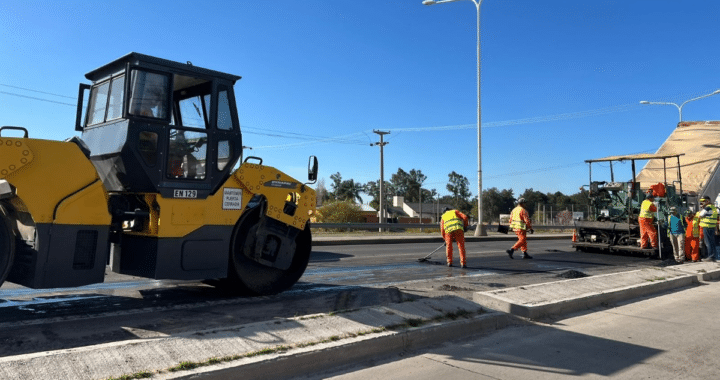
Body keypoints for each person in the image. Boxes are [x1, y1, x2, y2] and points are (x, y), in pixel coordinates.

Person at [698, 196, 720, 262]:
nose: (702, 202)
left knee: (708, 243)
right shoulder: (714, 208)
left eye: (703, 201)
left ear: (707, 201)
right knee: (712, 242)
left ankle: (710, 257)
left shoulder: (707, 208)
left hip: (707, 227)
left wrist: (702, 209)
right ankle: (714, 256)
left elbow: (700, 215)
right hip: (712, 227)